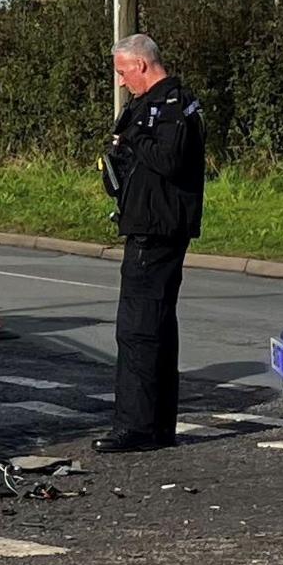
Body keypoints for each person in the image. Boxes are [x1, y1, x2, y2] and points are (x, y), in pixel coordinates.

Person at [99, 33, 206, 452]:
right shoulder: (147, 105)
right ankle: (157, 425)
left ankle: (137, 427)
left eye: (124, 73)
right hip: (147, 220)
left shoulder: (173, 104)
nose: (122, 82)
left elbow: (168, 159)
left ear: (141, 65)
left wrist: (132, 140)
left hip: (158, 228)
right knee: (155, 325)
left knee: (139, 329)